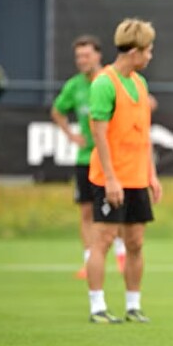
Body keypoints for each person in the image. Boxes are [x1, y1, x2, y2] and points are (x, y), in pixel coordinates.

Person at [86, 19, 162, 323]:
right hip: (110, 178)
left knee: (135, 243)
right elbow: (99, 134)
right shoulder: (104, 83)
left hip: (137, 179)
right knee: (102, 241)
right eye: (148, 50)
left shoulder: (140, 83)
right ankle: (97, 307)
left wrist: (151, 174)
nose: (150, 56)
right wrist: (111, 179)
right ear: (134, 51)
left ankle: (133, 305)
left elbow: (144, 135)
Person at [51, 35, 127, 281]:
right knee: (86, 212)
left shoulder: (111, 79)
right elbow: (57, 111)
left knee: (119, 208)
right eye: (78, 56)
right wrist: (71, 135)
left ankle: (122, 255)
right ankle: (88, 261)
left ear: (98, 55)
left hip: (113, 159)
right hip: (87, 159)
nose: (82, 60)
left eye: (86, 55)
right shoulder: (74, 86)